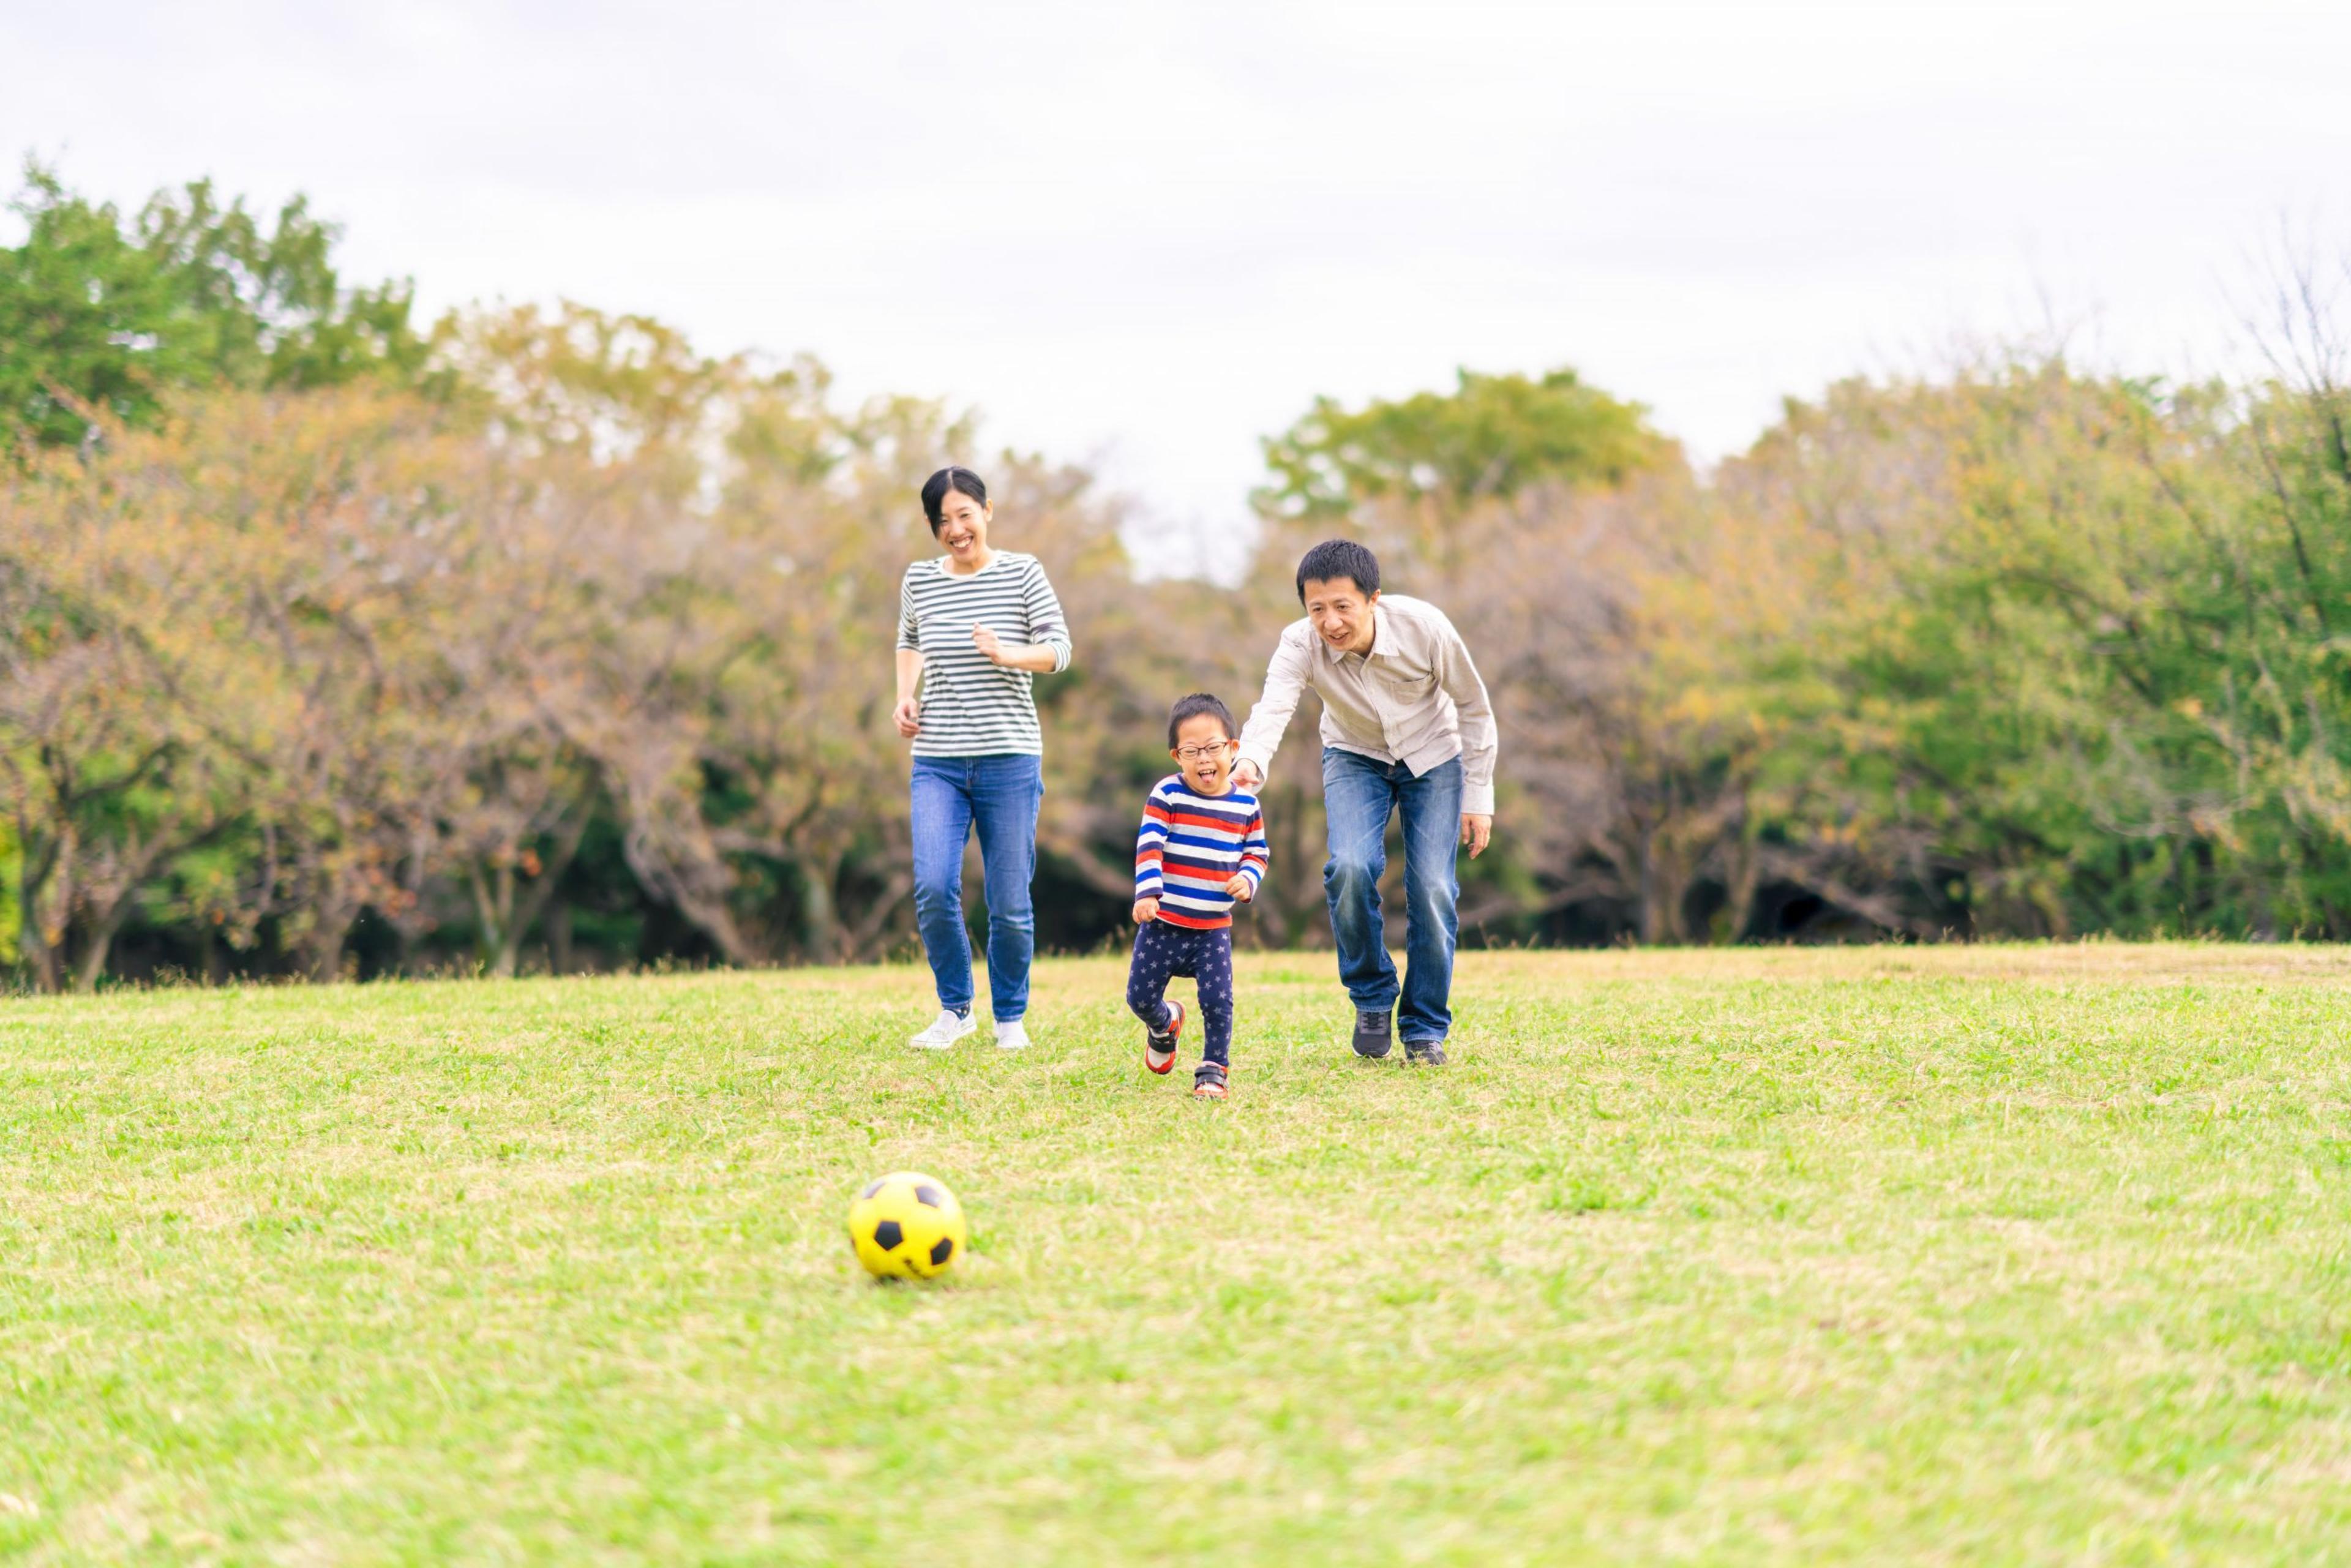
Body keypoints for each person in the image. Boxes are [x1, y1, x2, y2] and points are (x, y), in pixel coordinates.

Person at [1232, 539, 1495, 1065]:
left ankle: (1424, 1027)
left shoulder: (1426, 627)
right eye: (1317, 609)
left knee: (1434, 888)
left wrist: (1479, 792)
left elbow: (1473, 705)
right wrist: (1250, 763)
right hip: (1354, 755)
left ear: (1373, 598)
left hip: (1434, 757)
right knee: (1350, 867)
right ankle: (1372, 997)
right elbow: (1273, 706)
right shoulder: (1298, 644)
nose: (1330, 622)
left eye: (1342, 606)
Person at [893, 465, 1073, 1051]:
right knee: (934, 884)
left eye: (964, 514)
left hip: (1010, 757)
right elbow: (910, 640)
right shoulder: (920, 579)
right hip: (938, 758)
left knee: (1010, 899)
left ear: (987, 510)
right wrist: (904, 698)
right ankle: (955, 1009)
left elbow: (1060, 650)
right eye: (942, 520)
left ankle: (1009, 1019)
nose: (956, 529)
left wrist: (1009, 653)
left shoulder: (1023, 572)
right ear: (931, 526)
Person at [1128, 693, 1268, 1101]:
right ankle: (1165, 1023)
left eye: (1213, 748)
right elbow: (1150, 844)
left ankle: (1213, 1071)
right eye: (1192, 751)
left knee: (1217, 1000)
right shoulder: (1167, 795)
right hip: (1163, 923)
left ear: (1233, 749)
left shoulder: (1246, 805)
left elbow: (1257, 852)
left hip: (1212, 927)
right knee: (1139, 997)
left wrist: (1247, 878)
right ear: (1177, 756)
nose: (1204, 759)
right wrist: (1148, 893)